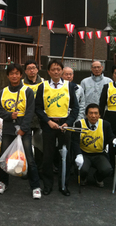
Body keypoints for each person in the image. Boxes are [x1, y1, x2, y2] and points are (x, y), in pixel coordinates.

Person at [0, 63, 41, 199]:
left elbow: (30, 111)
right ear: (8, 75)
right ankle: (3, 182)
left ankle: (35, 186)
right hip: (8, 128)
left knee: (29, 158)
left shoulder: (27, 91)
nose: (14, 76)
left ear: (21, 75)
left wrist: (23, 129)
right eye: (11, 73)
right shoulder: (2, 92)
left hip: (24, 128)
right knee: (4, 156)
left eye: (17, 73)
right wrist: (9, 116)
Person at [35, 59, 79, 196]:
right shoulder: (42, 86)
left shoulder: (69, 86)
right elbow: (38, 108)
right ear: (48, 71)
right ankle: (47, 185)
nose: (55, 71)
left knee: (64, 155)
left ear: (62, 71)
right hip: (49, 125)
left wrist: (68, 122)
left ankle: (64, 185)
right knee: (47, 156)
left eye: (58, 69)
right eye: (53, 69)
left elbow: (75, 108)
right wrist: (48, 121)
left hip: (64, 125)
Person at [71, 104, 116, 187]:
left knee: (107, 169)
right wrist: (78, 154)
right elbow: (75, 141)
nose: (93, 116)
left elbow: (110, 136)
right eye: (90, 113)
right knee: (82, 169)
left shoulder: (105, 125)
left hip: (99, 154)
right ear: (86, 114)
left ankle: (98, 178)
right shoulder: (79, 124)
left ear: (99, 115)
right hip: (84, 153)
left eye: (96, 113)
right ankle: (83, 178)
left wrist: (114, 140)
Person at [22, 59, 44, 176]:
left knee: (39, 145)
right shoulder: (21, 84)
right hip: (26, 119)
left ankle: (39, 168)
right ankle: (27, 169)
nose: (32, 70)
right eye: (29, 68)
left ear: (37, 69)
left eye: (33, 68)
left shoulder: (44, 83)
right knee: (26, 145)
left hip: (40, 119)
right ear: (25, 71)